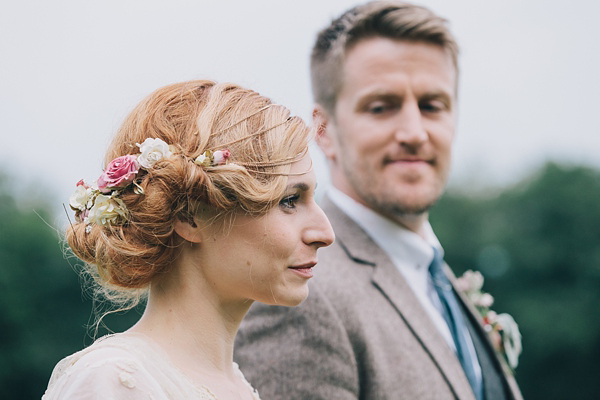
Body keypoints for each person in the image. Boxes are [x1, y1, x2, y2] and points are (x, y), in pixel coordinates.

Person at [234, 2, 523, 399]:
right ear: (324, 131)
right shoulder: (297, 295)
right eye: (381, 107)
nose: (414, 132)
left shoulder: (438, 279)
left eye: (431, 106)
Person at [43, 80, 334, 399]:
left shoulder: (237, 387)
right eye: (289, 200)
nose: (325, 234)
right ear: (189, 214)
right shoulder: (114, 382)